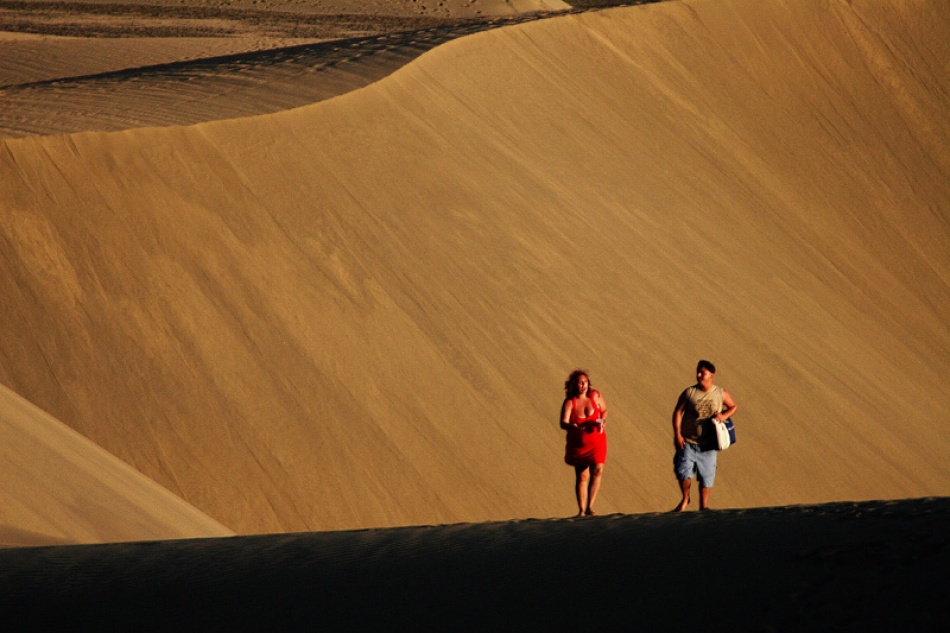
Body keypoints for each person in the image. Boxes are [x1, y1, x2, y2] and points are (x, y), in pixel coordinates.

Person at [671, 360, 737, 511]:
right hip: (688, 441)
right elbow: (678, 412)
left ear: (711, 375)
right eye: (698, 371)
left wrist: (724, 416)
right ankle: (685, 498)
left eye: (703, 372)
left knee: (707, 477)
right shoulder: (689, 392)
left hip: (709, 444)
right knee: (683, 471)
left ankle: (703, 506)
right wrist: (678, 434)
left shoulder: (720, 393)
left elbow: (733, 406)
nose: (699, 375)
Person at [560, 369, 609, 516]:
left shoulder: (595, 396)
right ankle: (581, 510)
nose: (583, 385)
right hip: (579, 445)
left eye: (585, 382)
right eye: (580, 382)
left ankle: (589, 507)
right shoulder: (570, 402)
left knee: (598, 470)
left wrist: (601, 422)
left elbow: (605, 411)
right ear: (574, 385)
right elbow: (563, 422)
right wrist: (572, 426)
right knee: (582, 476)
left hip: (597, 442)